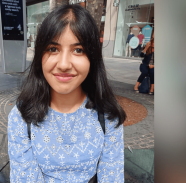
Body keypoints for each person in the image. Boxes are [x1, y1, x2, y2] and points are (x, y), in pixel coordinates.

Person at [7, 4, 126, 183]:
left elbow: (112, 177)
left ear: (92, 58)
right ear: (40, 55)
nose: (63, 64)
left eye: (78, 50)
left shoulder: (108, 116)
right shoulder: (21, 117)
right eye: (53, 49)